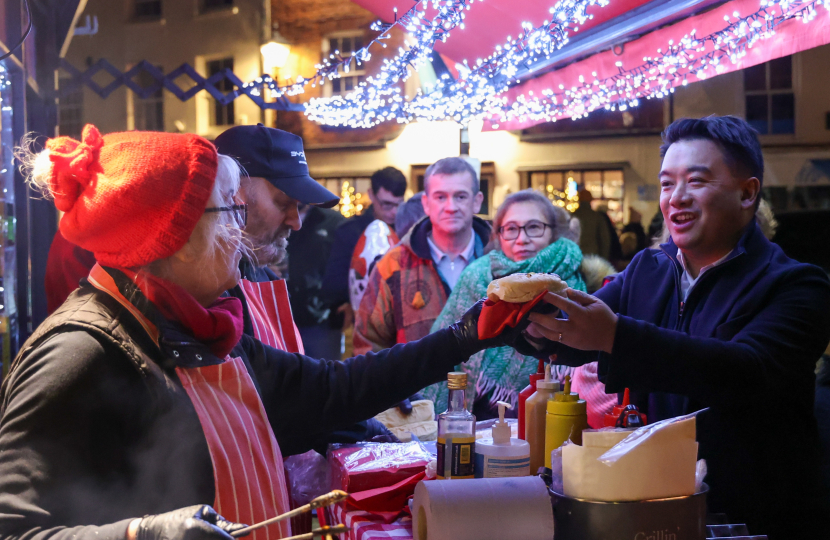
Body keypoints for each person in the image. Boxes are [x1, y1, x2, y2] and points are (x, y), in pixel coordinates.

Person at [0, 126, 527, 540]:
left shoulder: (204, 327)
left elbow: (331, 390)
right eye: (231, 212)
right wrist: (141, 533)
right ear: (180, 238)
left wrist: (467, 334)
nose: (241, 231)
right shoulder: (78, 352)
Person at [524, 116, 830, 538]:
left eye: (696, 181)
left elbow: (745, 369)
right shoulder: (651, 267)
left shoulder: (797, 284)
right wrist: (528, 325)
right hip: (659, 508)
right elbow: (580, 337)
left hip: (756, 516)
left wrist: (614, 335)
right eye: (667, 184)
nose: (676, 198)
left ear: (747, 193)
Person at [422, 190, 586, 418]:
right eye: (510, 229)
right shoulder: (477, 277)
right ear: (498, 235)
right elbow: (443, 351)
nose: (522, 239)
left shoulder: (579, 280)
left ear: (553, 232)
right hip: (479, 421)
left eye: (534, 227)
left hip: (559, 414)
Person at [354, 157, 491, 354]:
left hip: (487, 386)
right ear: (426, 203)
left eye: (460, 196)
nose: (451, 207)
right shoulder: (393, 265)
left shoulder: (500, 260)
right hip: (416, 385)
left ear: (477, 201)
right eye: (440, 197)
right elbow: (368, 345)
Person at [321, 167, 407, 326]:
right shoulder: (349, 231)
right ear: (371, 195)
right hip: (363, 319)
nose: (394, 212)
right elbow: (333, 282)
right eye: (387, 204)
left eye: (399, 205)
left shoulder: (409, 231)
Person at [284, 203, 345, 359]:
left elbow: (346, 264)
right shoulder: (274, 215)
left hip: (323, 320)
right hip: (281, 315)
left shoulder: (334, 221)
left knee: (326, 376)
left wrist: (347, 300)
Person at [572, 189, 612, 260]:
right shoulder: (597, 217)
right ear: (590, 200)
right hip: (592, 257)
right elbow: (605, 240)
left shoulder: (572, 216)